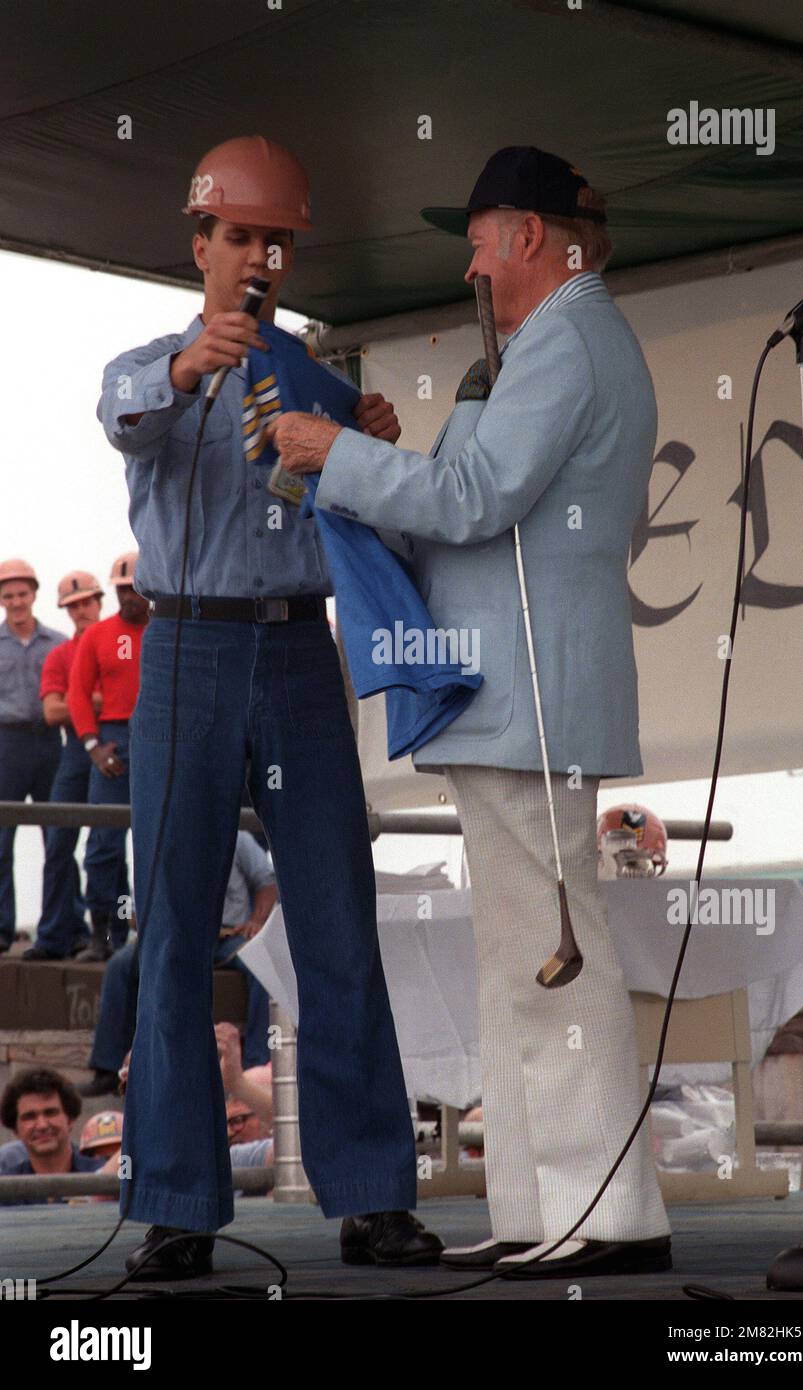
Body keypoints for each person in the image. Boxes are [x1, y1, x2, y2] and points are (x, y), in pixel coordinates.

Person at [267, 146, 673, 1279]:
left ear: (533, 238)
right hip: (505, 690)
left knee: (557, 955)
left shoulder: (570, 341)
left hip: (529, 690)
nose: (473, 261)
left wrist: (337, 451)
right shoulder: (553, 344)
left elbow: (474, 497)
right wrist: (349, 465)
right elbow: (464, 505)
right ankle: (549, 1205)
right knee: (517, 963)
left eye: (484, 237)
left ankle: (609, 1211)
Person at [97, 134, 442, 1279]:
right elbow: (124, 417)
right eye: (238, 236)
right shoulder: (148, 364)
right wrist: (195, 366)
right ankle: (179, 1204)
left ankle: (374, 1195)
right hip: (187, 648)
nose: (257, 256)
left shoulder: (315, 380)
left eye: (275, 240)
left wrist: (371, 443)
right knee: (174, 931)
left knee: (338, 921)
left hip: (298, 655)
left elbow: (373, 518)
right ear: (200, 244)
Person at [78, 831, 279, 1096]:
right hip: (174, 938)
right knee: (119, 966)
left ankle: (256, 1063)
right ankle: (107, 1067)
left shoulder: (238, 838)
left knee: (263, 967)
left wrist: (256, 920)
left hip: (228, 936)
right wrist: (164, 924)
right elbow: (133, 914)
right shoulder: (158, 842)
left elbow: (267, 883)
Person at [67, 552, 148, 961]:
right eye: (121, 589)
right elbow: (77, 694)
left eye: (134, 587)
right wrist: (92, 746)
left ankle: (154, 932)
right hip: (114, 739)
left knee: (161, 842)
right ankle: (105, 933)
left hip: (163, 739)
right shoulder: (98, 636)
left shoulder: (172, 631)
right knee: (104, 844)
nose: (127, 597)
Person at [24, 570, 105, 960]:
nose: (80, 611)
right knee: (58, 842)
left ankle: (108, 937)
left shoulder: (115, 642)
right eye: (73, 606)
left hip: (115, 747)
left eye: (86, 602)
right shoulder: (60, 654)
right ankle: (54, 935)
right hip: (75, 751)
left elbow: (131, 696)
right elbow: (53, 711)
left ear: (100, 601)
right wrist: (95, 701)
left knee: (106, 844)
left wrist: (77, 700)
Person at [0, 559, 65, 952]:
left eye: (22, 593)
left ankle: (61, 929)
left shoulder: (58, 643)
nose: (16, 601)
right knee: (1, 839)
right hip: (7, 744)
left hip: (48, 741)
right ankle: (2, 928)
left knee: (59, 835)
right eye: (8, 595)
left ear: (35, 594)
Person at [0, 1067, 105, 1204]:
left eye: (50, 1113)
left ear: (70, 1119)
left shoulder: (102, 1174)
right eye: (30, 1117)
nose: (42, 1125)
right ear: (15, 1130)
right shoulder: (5, 1188)